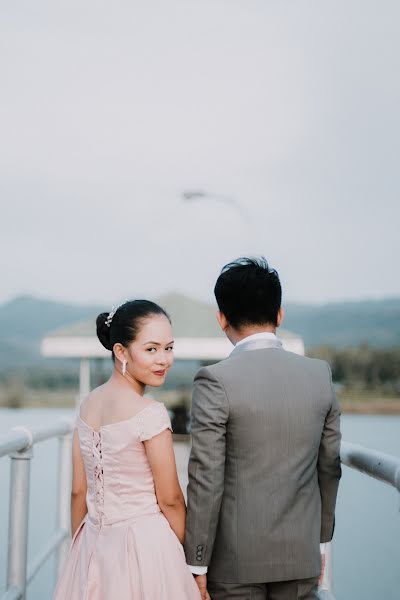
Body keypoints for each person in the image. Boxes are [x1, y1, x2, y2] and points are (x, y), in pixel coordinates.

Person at [185, 257, 342, 600]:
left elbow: (205, 478)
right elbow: (329, 466)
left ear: (221, 318)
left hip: (234, 564)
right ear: (280, 314)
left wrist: (196, 563)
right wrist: (321, 541)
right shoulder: (319, 375)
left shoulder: (214, 380)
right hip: (301, 557)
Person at [53, 300, 201, 600]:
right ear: (121, 351)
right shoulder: (150, 413)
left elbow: (78, 492)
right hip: (145, 547)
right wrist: (193, 564)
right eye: (151, 349)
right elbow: (170, 499)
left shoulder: (87, 406)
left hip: (93, 540)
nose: (163, 360)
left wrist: (79, 550)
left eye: (169, 348)